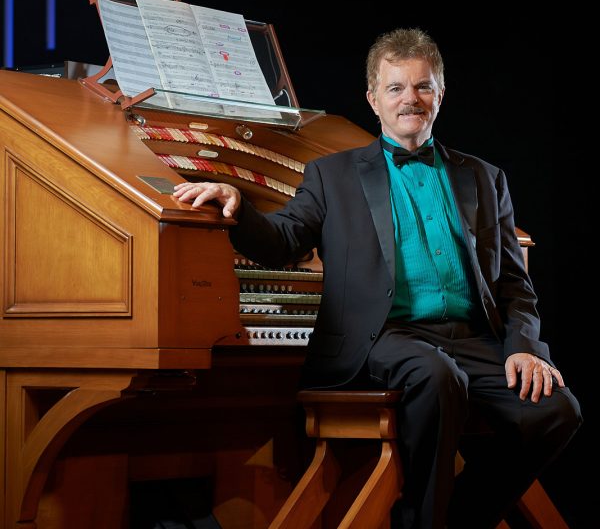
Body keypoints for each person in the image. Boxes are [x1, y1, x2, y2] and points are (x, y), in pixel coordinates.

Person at [173, 28, 582, 529]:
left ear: (440, 94)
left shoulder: (484, 177)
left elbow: (516, 285)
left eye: (423, 87)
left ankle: (452, 519)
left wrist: (524, 347)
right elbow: (283, 240)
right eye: (396, 88)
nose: (411, 99)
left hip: (473, 340)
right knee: (435, 376)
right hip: (384, 339)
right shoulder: (333, 175)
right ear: (373, 99)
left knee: (556, 411)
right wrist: (238, 207)